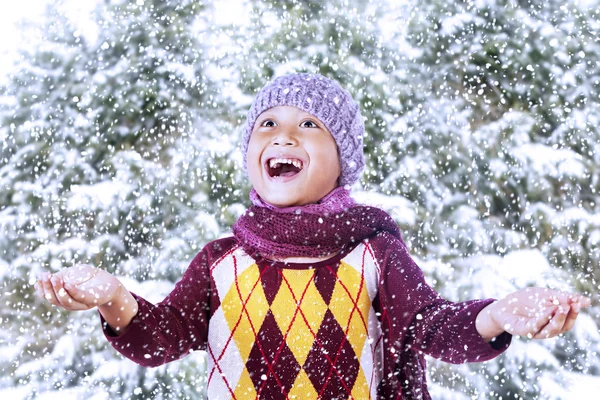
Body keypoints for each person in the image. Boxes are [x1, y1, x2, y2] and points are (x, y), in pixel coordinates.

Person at [35, 73, 591, 399]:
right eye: (268, 124)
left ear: (341, 158)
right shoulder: (220, 261)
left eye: (309, 125)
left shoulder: (370, 249)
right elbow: (161, 338)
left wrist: (497, 315)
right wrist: (114, 299)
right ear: (251, 154)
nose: (284, 135)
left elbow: (429, 327)